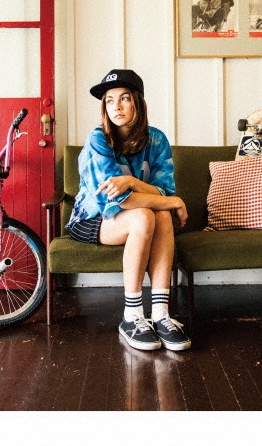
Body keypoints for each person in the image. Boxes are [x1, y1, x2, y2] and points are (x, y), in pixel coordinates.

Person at [66, 69, 191, 352]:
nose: (117, 107)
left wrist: (134, 183)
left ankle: (160, 314)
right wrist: (174, 201)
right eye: (110, 101)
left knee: (160, 214)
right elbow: (119, 201)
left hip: (133, 217)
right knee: (147, 214)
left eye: (124, 99)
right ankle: (132, 316)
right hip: (91, 219)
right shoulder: (98, 139)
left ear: (137, 103)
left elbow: (164, 191)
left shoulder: (156, 139)